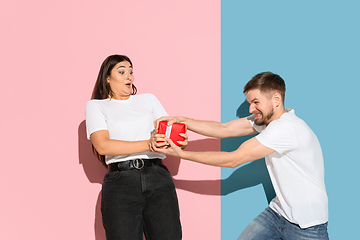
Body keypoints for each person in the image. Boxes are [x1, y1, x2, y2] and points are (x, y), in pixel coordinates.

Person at [151, 72, 329, 240]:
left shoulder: (286, 128)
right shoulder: (270, 122)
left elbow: (233, 159)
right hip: (279, 212)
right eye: (250, 102)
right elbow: (225, 129)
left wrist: (183, 154)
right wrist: (183, 121)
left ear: (276, 99)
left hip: (307, 224)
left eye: (255, 102)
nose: (251, 108)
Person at [85, 54, 185, 240]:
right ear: (107, 78)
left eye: (131, 71)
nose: (129, 76)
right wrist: (148, 144)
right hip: (121, 182)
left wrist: (178, 140)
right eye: (121, 72)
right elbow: (103, 145)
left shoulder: (148, 100)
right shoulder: (96, 106)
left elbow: (168, 132)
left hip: (158, 177)